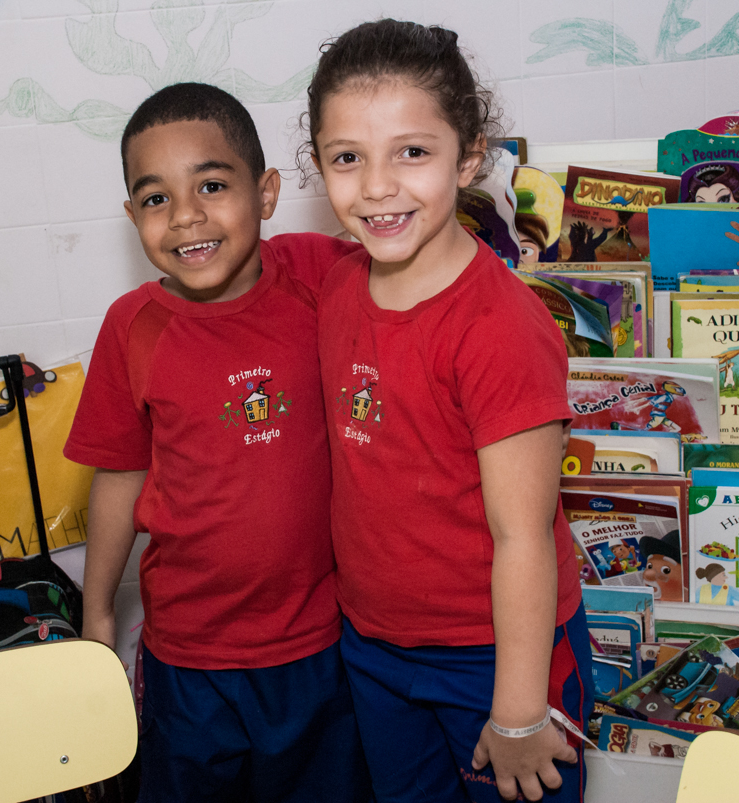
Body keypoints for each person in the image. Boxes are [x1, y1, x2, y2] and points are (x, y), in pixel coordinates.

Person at [305, 19, 592, 803]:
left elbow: (523, 534)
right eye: (346, 158)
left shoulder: (499, 329)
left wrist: (521, 711)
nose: (376, 186)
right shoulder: (337, 284)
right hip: (375, 647)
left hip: (498, 657)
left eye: (412, 152)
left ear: (468, 155)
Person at [64, 82, 368, 803]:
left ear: (265, 193)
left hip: (320, 646)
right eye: (156, 198)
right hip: (189, 657)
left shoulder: (325, 275)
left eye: (211, 184)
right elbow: (117, 477)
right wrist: (98, 609)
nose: (187, 216)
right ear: (131, 214)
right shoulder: (130, 327)